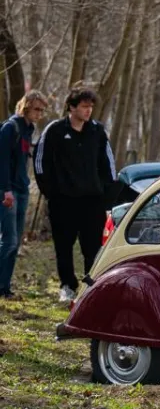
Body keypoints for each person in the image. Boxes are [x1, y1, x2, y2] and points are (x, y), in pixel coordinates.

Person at [33, 87, 117, 304]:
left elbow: (108, 164)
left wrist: (107, 194)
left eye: (91, 106)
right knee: (63, 246)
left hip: (92, 201)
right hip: (63, 201)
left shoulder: (97, 131)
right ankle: (67, 286)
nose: (88, 111)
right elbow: (40, 162)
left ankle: (91, 286)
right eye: (84, 106)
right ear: (72, 107)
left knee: (92, 247)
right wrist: (51, 192)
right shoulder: (55, 131)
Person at [0, 91, 48, 298]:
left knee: (15, 242)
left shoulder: (29, 130)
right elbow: (1, 161)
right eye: (36, 109)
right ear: (26, 107)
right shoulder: (11, 128)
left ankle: (5, 287)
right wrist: (6, 190)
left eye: (42, 110)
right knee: (9, 240)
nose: (39, 114)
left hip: (22, 189)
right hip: (8, 191)